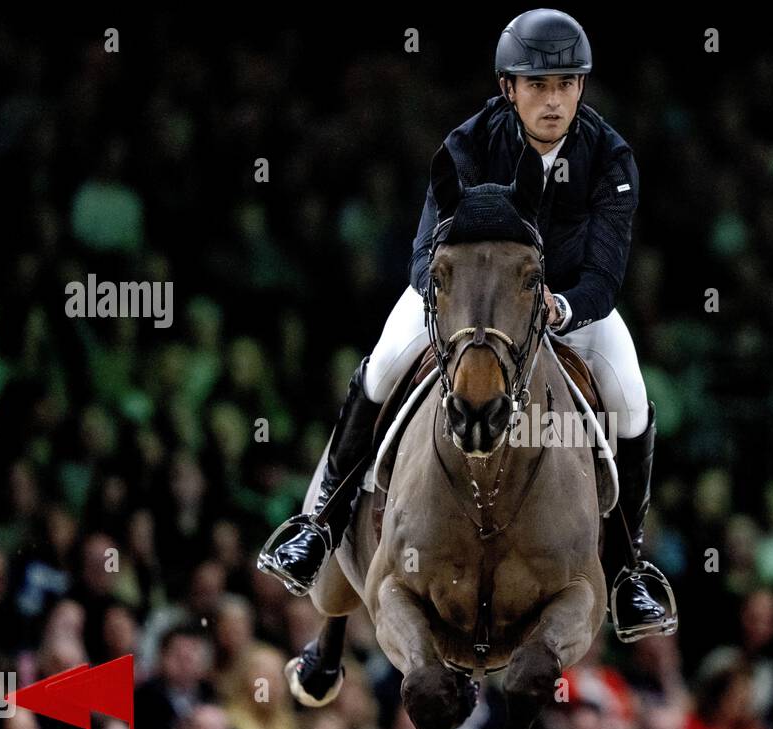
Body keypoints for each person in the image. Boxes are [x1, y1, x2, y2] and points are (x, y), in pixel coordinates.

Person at [259, 9, 674, 642]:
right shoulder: (468, 144)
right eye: (538, 85)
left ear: (582, 88)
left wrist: (560, 308)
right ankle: (319, 525)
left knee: (632, 402)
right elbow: (427, 251)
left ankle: (628, 572)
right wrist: (452, 310)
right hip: (467, 306)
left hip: (566, 307)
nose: (554, 100)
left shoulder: (611, 158)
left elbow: (605, 272)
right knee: (384, 366)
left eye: (566, 85)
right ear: (510, 88)